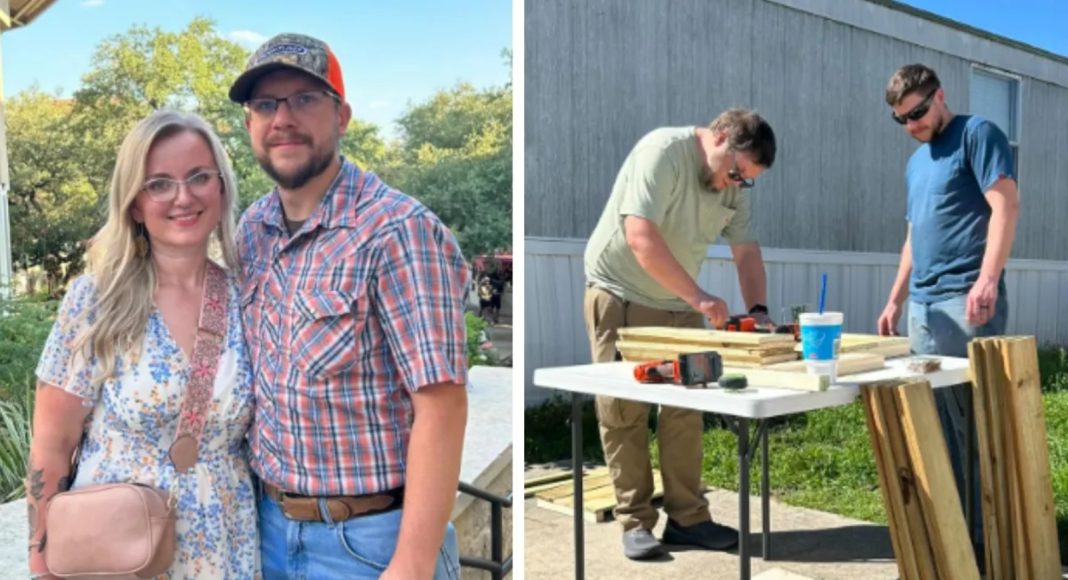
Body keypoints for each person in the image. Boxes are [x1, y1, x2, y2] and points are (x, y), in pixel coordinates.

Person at [229, 33, 468, 579]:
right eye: (265, 105)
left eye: (304, 99)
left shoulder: (399, 230)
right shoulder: (252, 231)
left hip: (369, 544)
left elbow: (442, 406)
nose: (282, 118)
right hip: (265, 531)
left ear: (343, 116)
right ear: (249, 126)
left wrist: (410, 565)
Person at [26, 110, 256, 578]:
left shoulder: (245, 295)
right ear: (134, 202)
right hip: (119, 552)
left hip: (227, 546)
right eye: (159, 183)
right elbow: (53, 442)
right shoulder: (96, 299)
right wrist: (41, 562)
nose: (183, 196)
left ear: (221, 187)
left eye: (198, 177)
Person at [583, 108, 777, 559]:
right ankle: (635, 522)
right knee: (624, 410)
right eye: (736, 172)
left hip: (682, 300)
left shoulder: (733, 184)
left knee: (686, 409)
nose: (737, 183)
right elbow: (639, 237)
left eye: (747, 179)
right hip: (621, 294)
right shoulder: (662, 153)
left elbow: (746, 252)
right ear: (720, 137)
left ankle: (688, 520)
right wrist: (700, 298)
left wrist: (760, 312)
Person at [877, 63, 1019, 548]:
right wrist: (896, 299)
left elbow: (1005, 205)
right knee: (936, 423)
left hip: (967, 303)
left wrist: (987, 279)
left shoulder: (977, 134)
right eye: (901, 120)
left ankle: (983, 544)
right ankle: (950, 540)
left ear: (940, 96)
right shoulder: (916, 164)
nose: (912, 125)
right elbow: (914, 237)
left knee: (976, 422)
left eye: (917, 113)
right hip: (923, 309)